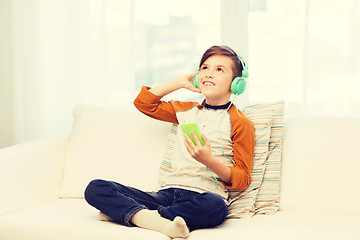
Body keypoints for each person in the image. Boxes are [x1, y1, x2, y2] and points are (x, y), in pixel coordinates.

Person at [84, 45, 255, 239]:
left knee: (216, 209)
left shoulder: (241, 122)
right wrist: (178, 82)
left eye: (219, 70)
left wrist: (209, 161)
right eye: (205, 68)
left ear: (236, 83)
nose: (209, 74)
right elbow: (143, 103)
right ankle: (157, 220)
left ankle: (134, 215)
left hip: (203, 196)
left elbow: (242, 180)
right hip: (165, 195)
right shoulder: (184, 110)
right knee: (96, 188)